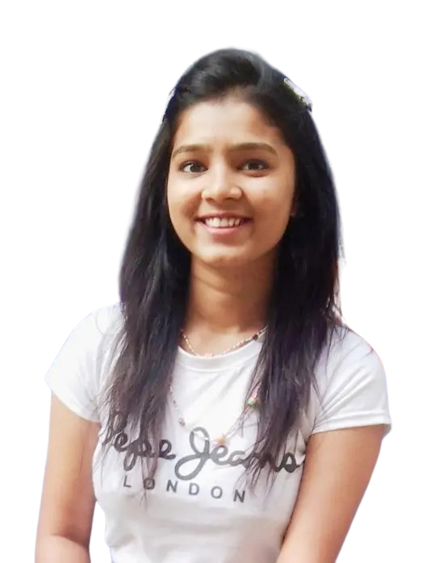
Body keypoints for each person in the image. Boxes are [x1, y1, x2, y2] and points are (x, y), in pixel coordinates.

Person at [34, 45, 392, 563]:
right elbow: (61, 536)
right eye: (194, 165)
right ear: (165, 185)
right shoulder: (101, 342)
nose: (220, 189)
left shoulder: (344, 369)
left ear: (298, 192)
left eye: (253, 164)